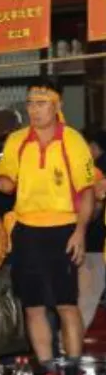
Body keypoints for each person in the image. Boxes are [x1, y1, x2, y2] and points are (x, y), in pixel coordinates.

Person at [0, 78, 96, 375]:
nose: (34, 110)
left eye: (41, 103)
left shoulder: (72, 140)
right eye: (30, 104)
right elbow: (9, 181)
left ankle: (72, 372)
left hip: (64, 229)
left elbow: (87, 192)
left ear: (57, 106)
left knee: (66, 304)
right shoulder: (16, 140)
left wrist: (80, 232)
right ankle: (49, 370)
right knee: (33, 306)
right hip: (27, 230)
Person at [80, 129, 106, 330]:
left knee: (85, 298)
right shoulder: (94, 172)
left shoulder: (95, 172)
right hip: (94, 245)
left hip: (91, 246)